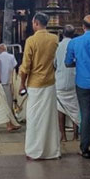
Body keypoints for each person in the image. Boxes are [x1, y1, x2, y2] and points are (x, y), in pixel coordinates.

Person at [20, 13, 60, 159]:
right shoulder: (54, 39)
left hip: (35, 84)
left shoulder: (31, 40)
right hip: (50, 82)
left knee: (34, 118)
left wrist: (22, 84)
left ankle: (34, 151)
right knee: (49, 117)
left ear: (36, 23)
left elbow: (25, 66)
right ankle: (52, 150)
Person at [65, 14, 90, 159]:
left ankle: (85, 147)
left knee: (85, 114)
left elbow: (68, 62)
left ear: (83, 27)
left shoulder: (75, 42)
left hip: (82, 82)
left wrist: (80, 63)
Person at [54, 24, 79, 142]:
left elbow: (54, 63)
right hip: (75, 80)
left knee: (61, 109)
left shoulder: (57, 46)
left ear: (62, 34)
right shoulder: (76, 44)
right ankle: (75, 135)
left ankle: (63, 135)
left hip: (60, 81)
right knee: (76, 109)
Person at [0, 44, 17, 110]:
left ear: (0, 49)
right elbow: (15, 65)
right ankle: (10, 110)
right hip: (9, 79)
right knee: (9, 96)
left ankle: (3, 112)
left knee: (1, 97)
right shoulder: (11, 56)